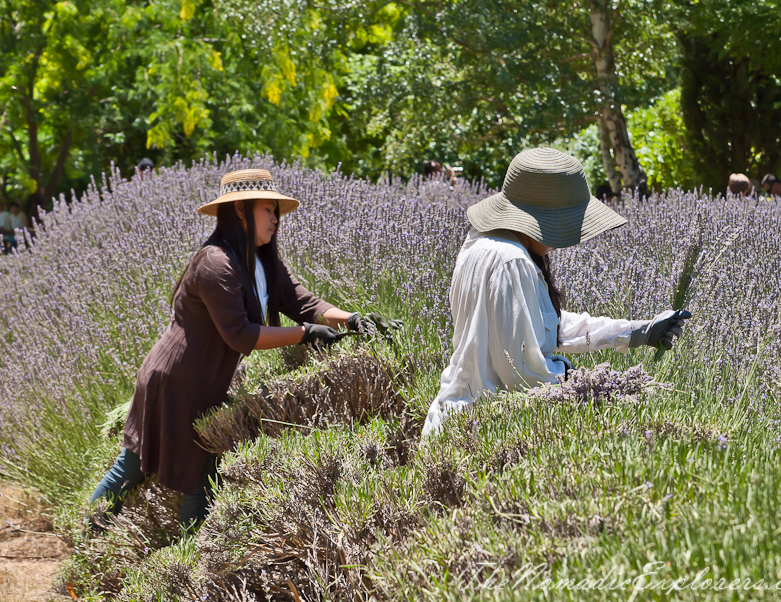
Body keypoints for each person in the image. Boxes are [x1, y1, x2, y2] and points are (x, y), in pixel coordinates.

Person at [90, 168, 401, 531]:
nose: (275, 218)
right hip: (175, 379)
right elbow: (240, 335)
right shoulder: (214, 262)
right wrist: (304, 335)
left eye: (276, 210)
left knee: (198, 474)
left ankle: (190, 557)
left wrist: (351, 319)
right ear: (240, 210)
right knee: (142, 469)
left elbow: (300, 300)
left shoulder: (260, 259)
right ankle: (91, 542)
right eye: (267, 209)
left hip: (203, 380)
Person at [422, 148, 691, 436]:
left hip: (454, 421)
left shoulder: (484, 242)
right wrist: (592, 383)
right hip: (478, 435)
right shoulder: (511, 261)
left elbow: (544, 325)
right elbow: (525, 372)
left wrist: (638, 332)